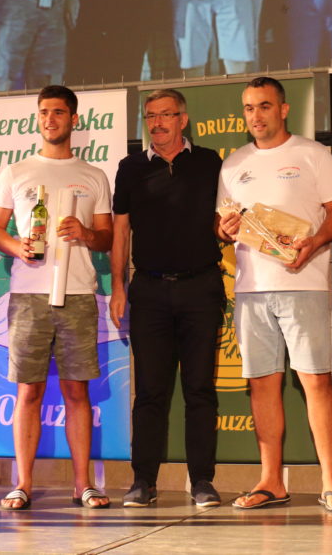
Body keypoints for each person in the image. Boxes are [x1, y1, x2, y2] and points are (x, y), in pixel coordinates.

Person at [217, 76, 332, 511]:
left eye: (264, 106)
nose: (255, 116)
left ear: (283, 109)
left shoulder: (313, 155)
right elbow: (223, 223)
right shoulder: (233, 164)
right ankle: (271, 481)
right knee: (261, 385)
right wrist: (224, 229)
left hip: (303, 283)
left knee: (316, 381)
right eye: (248, 108)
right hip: (251, 289)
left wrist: (314, 241)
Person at [0, 84, 113, 510]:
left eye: (58, 112)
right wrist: (15, 246)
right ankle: (22, 483)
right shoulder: (16, 171)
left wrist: (86, 233)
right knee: (28, 391)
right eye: (43, 112)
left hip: (77, 294)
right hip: (28, 295)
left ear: (74, 119)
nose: (50, 119)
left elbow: (107, 237)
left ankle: (83, 484)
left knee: (77, 392)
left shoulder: (93, 175)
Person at [109, 89, 224, 508]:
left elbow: (224, 218)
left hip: (201, 287)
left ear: (183, 119)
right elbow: (121, 230)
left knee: (200, 389)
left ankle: (202, 481)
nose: (157, 123)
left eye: (165, 115)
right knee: (150, 392)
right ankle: (143, 481)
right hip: (150, 291)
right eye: (150, 116)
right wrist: (118, 286)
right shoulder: (131, 167)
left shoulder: (210, 162)